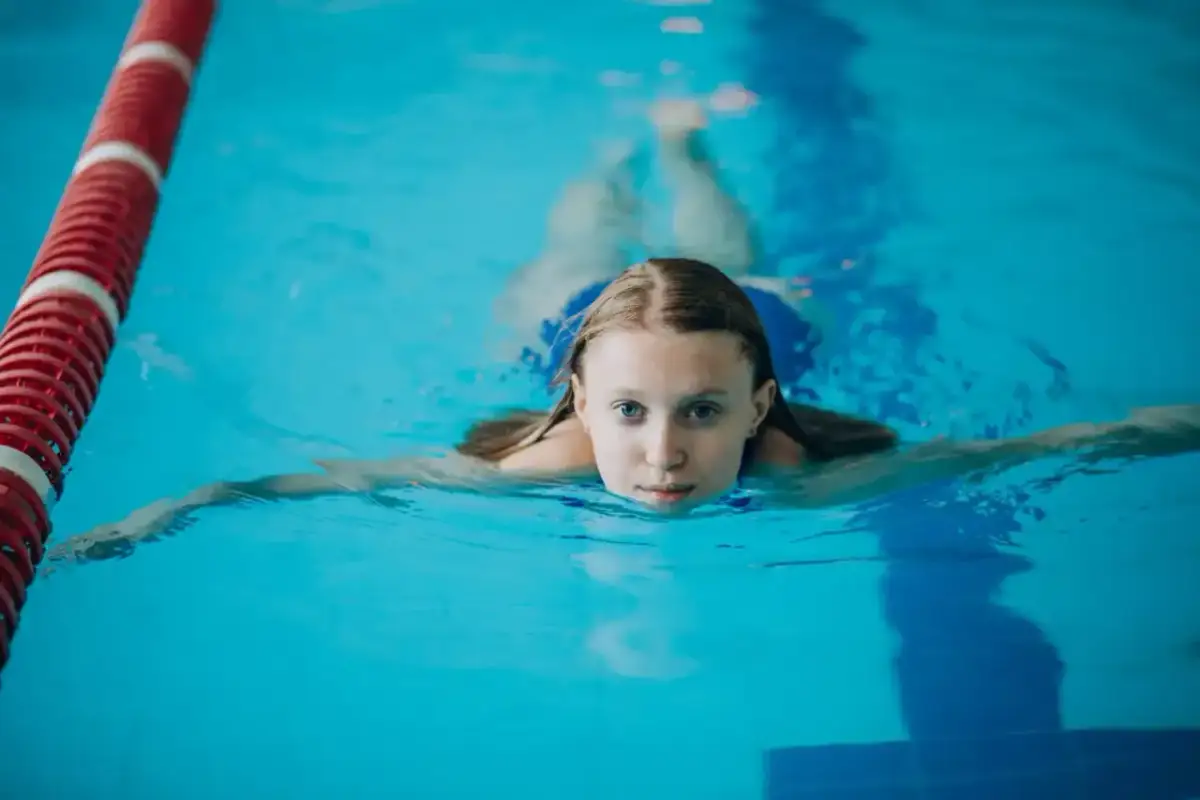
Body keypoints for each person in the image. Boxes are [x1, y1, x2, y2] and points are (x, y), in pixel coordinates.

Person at [45, 103, 1200, 565]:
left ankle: (687, 147)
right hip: (573, 312)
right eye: (630, 414)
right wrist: (174, 507)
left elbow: (1044, 445)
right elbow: (327, 481)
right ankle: (612, 157)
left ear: (759, 404)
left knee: (728, 245)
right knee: (578, 237)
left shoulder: (804, 474)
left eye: (703, 412)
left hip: (765, 306)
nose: (659, 454)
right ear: (582, 406)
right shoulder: (535, 458)